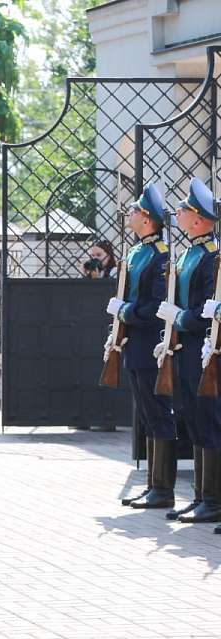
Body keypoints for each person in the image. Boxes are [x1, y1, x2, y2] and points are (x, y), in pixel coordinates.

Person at [104, 184, 174, 509]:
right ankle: (152, 485)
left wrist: (125, 311)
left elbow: (156, 306)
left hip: (148, 344)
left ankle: (163, 489)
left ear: (147, 219)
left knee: (158, 413)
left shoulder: (159, 255)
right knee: (146, 414)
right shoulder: (136, 252)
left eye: (134, 210)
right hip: (132, 344)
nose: (129, 214)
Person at [156, 177, 221, 523]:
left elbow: (209, 309)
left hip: (203, 349)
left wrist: (179, 317)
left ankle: (213, 499)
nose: (177, 212)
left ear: (198, 219)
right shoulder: (189, 254)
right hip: (184, 348)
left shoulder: (212, 256)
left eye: (183, 209)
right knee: (193, 421)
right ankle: (200, 496)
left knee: (208, 420)